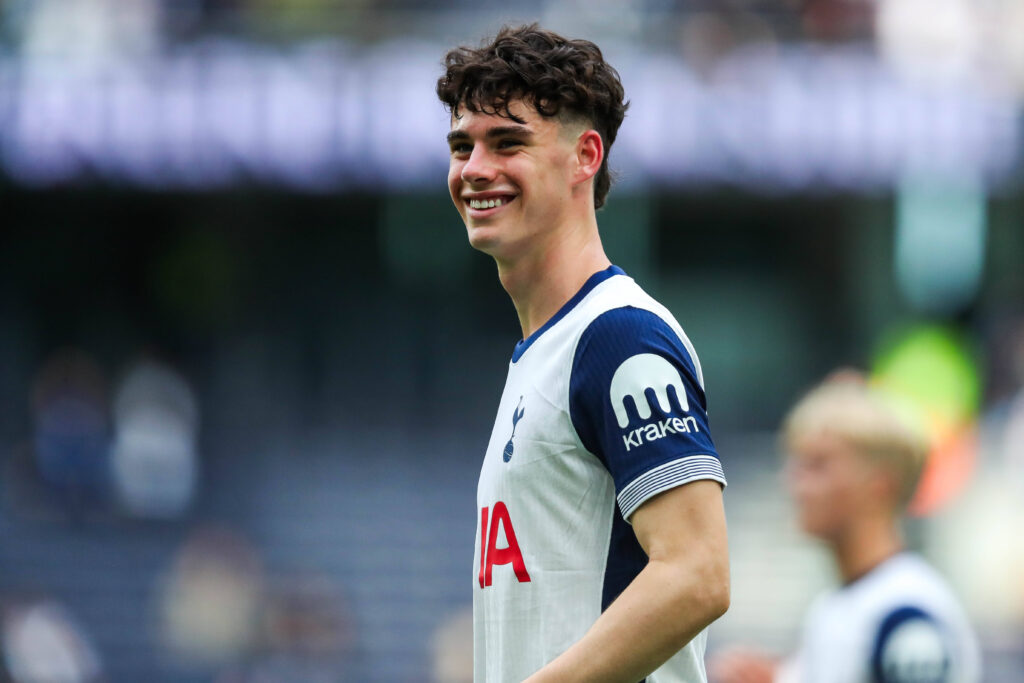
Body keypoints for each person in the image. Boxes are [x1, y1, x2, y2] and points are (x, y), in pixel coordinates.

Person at [436, 24, 730, 683]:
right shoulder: (542, 352)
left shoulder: (618, 337)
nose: (475, 168)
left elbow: (698, 573)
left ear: (584, 156)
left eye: (507, 142)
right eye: (462, 146)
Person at [710, 373, 981, 683]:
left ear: (880, 486)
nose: (794, 484)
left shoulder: (906, 611)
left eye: (817, 465)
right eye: (795, 464)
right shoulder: (836, 606)